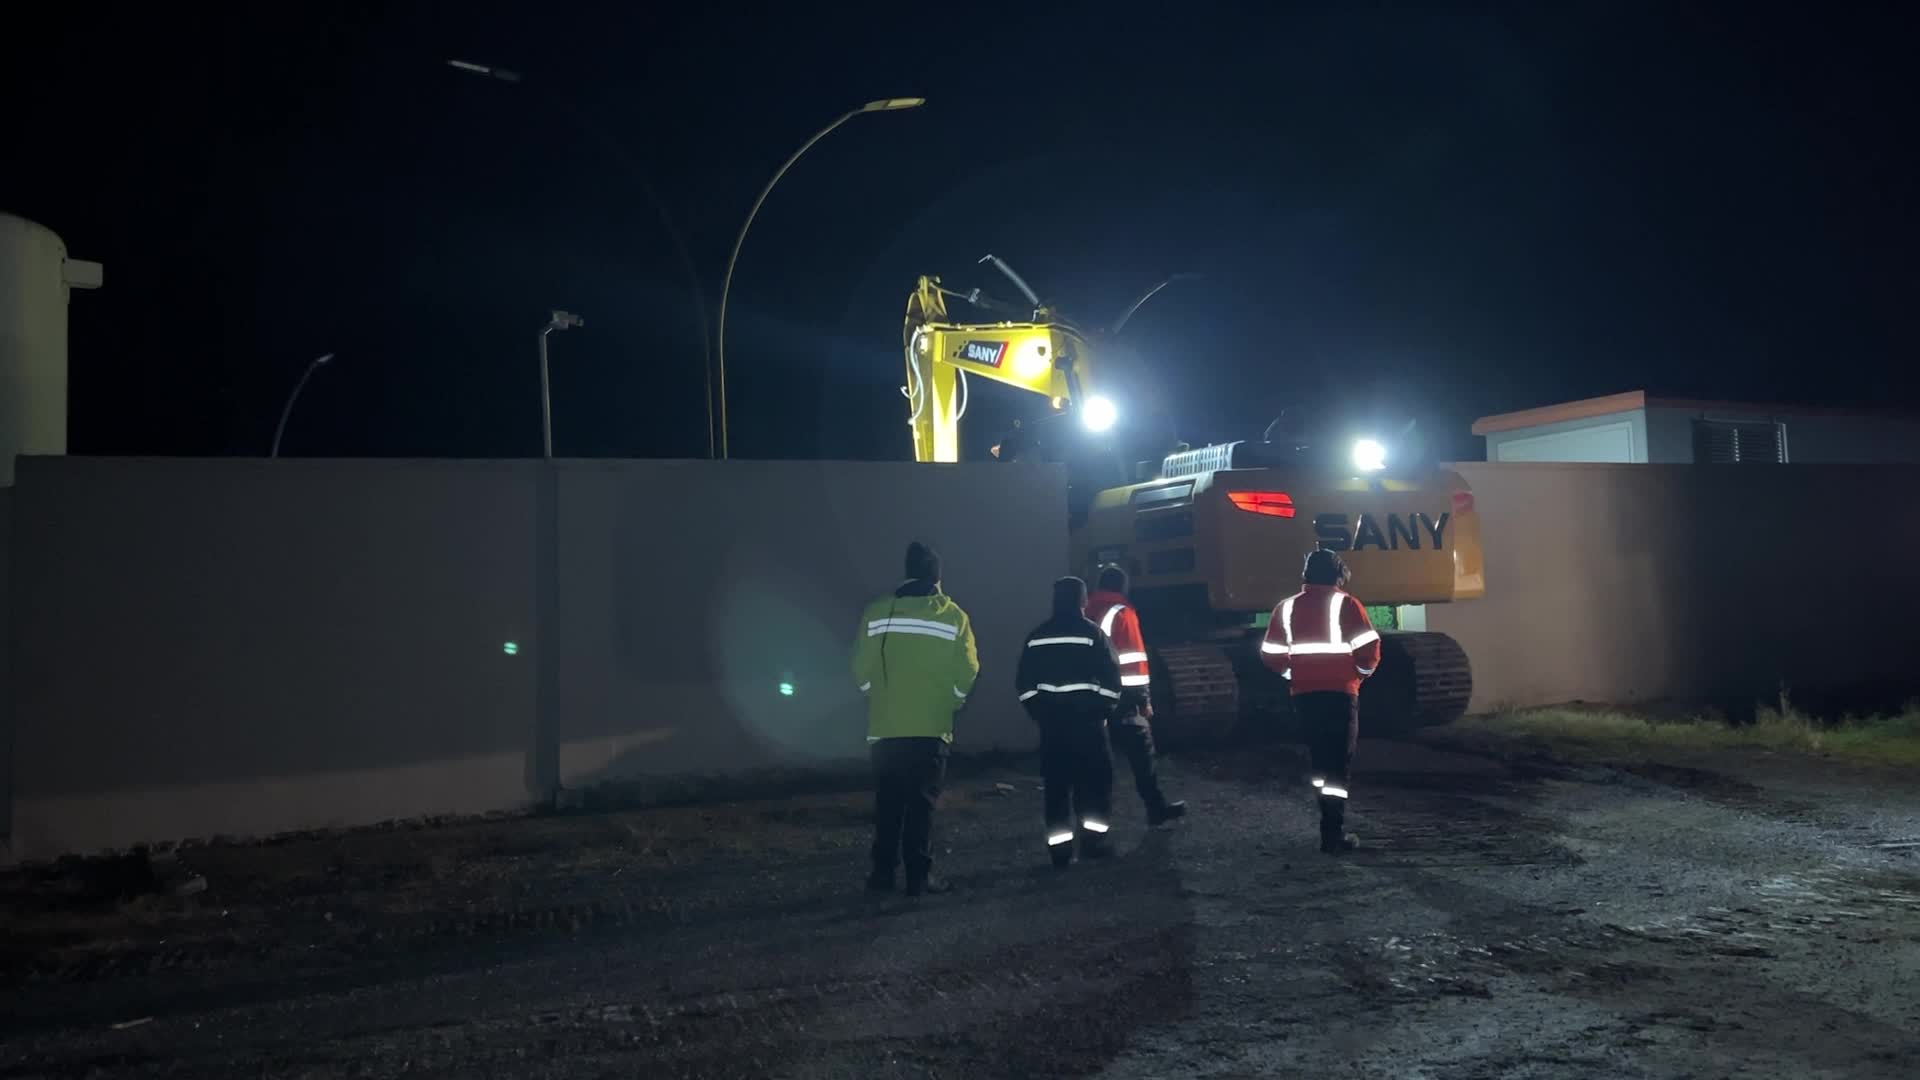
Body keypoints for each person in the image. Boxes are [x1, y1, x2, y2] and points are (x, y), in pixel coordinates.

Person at [852, 541, 980, 896]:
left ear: (907, 572)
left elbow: (861, 668)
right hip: (931, 728)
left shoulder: (878, 611)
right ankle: (918, 878)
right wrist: (951, 702)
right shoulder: (953, 615)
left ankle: (881, 878)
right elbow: (968, 669)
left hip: (886, 729)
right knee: (921, 807)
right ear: (937, 577)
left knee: (888, 806)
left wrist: (875, 695)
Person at [1258, 549, 1382, 854]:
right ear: (1338, 574)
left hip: (1304, 696)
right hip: (1341, 694)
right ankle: (1332, 835)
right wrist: (1358, 676)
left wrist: (1295, 674)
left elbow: (1270, 654)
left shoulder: (1285, 609)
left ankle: (1326, 815)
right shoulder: (1347, 604)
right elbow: (1370, 650)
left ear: (1305, 574)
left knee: (1320, 758)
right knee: (1339, 764)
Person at [1015, 576, 1122, 868]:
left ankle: (1060, 853)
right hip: (1088, 727)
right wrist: (1101, 711)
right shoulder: (1094, 635)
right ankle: (1093, 843)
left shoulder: (1037, 637)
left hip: (1053, 729)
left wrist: (1040, 714)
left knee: (1056, 789)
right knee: (1095, 785)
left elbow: (1024, 685)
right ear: (1082, 601)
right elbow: (1113, 681)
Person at [1085, 566, 1187, 826]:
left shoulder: (1085, 609)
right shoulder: (1122, 612)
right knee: (1142, 754)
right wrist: (1143, 700)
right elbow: (1133, 662)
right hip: (1123, 697)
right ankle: (1156, 808)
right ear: (1123, 586)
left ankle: (1094, 824)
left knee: (1096, 764)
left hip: (1090, 697)